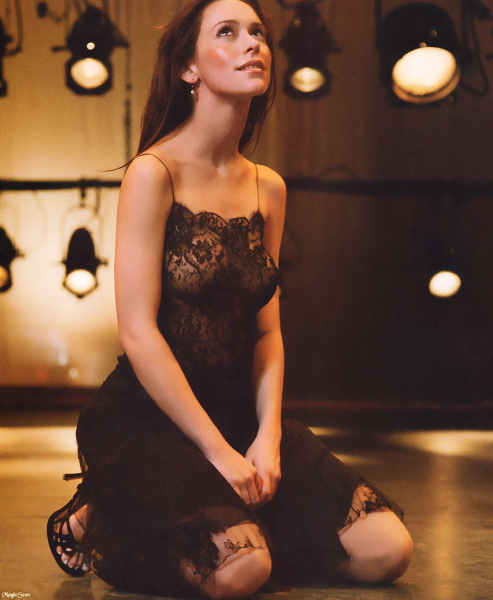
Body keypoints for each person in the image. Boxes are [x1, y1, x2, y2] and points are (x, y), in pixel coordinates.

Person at [46, 0, 413, 597]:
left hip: (239, 413)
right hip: (154, 419)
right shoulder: (154, 172)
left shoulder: (269, 187)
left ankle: (230, 527)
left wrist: (267, 437)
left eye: (258, 33)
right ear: (188, 69)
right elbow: (137, 331)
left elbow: (267, 332)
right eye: (228, 32)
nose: (253, 44)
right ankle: (110, 516)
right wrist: (217, 453)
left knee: (387, 552)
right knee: (244, 570)